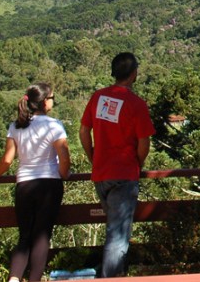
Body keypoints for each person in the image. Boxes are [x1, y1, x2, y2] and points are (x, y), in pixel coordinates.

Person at [0, 83, 71, 282]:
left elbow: (7, 160)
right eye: (52, 98)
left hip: (24, 185)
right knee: (41, 237)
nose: (53, 102)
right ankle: (34, 279)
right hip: (49, 185)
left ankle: (14, 278)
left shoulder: (16, 126)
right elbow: (64, 157)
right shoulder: (54, 125)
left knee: (25, 236)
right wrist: (64, 174)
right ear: (44, 102)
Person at [79, 52, 155, 278]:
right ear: (134, 74)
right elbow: (144, 142)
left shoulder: (98, 97)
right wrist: (137, 164)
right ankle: (112, 278)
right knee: (118, 236)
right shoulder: (136, 104)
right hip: (124, 175)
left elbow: (84, 131)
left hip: (101, 174)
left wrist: (93, 157)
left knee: (113, 230)